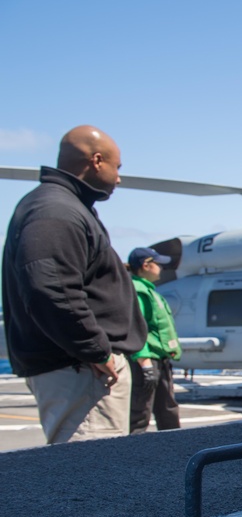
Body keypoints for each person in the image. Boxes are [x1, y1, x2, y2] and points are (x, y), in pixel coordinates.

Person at [1, 126, 146, 444]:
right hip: (82, 373)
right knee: (92, 479)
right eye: (116, 167)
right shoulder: (57, 211)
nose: (119, 178)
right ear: (96, 161)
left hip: (82, 370)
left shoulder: (60, 207)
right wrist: (96, 351)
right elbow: (50, 288)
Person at [127, 247, 182, 433]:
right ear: (146, 265)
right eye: (157, 264)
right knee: (140, 414)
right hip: (148, 362)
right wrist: (145, 363)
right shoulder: (137, 291)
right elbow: (134, 327)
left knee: (168, 411)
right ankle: (133, 454)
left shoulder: (150, 291)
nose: (161, 268)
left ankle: (174, 452)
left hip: (160, 360)